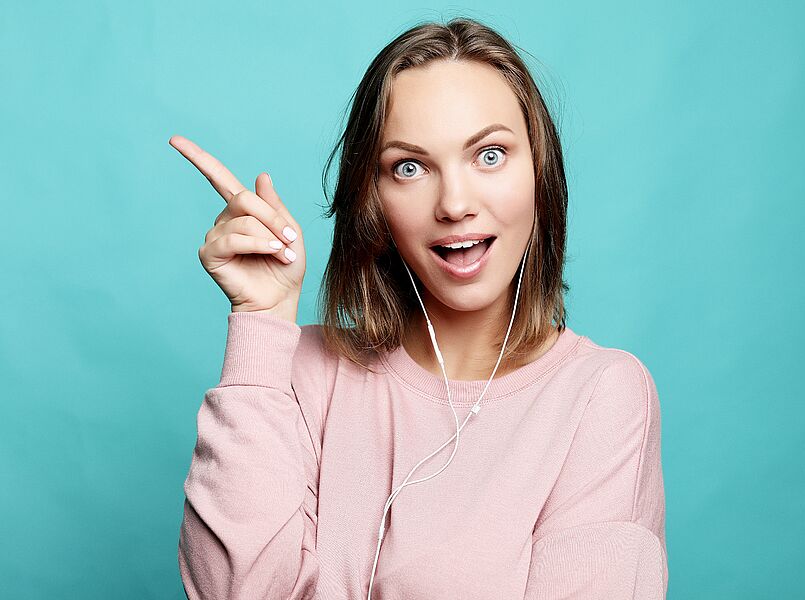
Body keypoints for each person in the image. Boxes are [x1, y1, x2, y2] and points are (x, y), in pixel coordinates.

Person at [171, 17, 666, 600]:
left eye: (489, 154)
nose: (454, 204)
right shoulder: (298, 372)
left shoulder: (601, 394)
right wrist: (261, 319)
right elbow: (235, 592)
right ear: (372, 200)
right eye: (409, 167)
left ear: (540, 172)